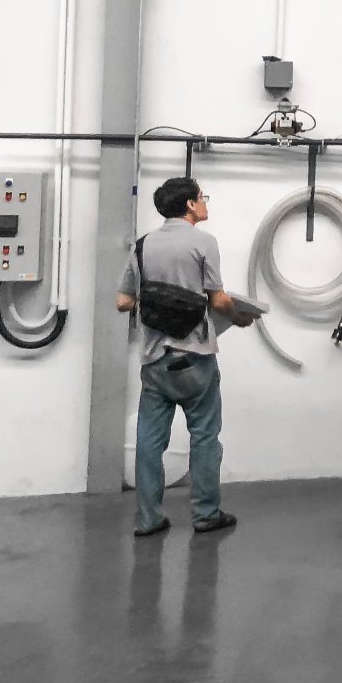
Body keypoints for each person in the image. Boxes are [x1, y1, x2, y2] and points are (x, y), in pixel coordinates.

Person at [116, 178, 255, 537]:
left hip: (154, 360)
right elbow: (219, 300)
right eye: (201, 197)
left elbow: (123, 301)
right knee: (205, 437)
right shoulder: (204, 242)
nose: (205, 202)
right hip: (195, 357)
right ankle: (206, 514)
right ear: (191, 205)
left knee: (150, 442)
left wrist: (155, 299)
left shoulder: (142, 245)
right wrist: (240, 317)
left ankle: (148, 519)